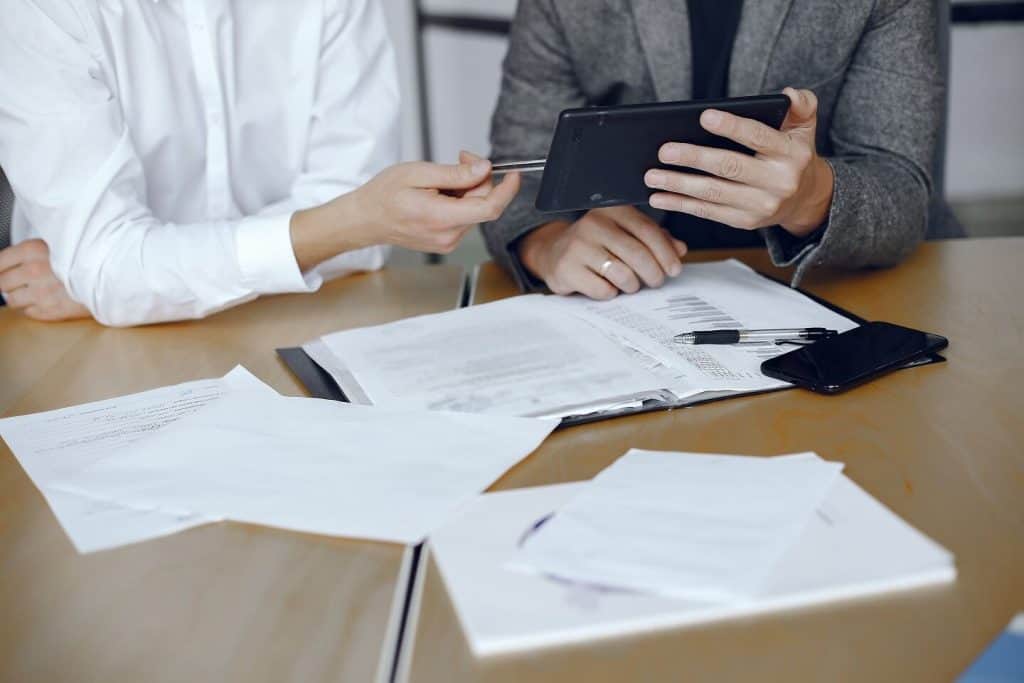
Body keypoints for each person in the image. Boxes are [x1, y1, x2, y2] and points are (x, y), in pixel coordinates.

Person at [0, 0, 519, 325]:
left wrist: (133, 283)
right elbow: (112, 268)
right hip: (86, 352)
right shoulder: (41, 11)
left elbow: (358, 241)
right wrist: (117, 278)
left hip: (298, 321)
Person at [484, 0, 946, 300]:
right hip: (631, 298)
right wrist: (547, 246)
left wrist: (811, 197)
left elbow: (903, 188)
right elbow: (513, 172)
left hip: (823, 288)